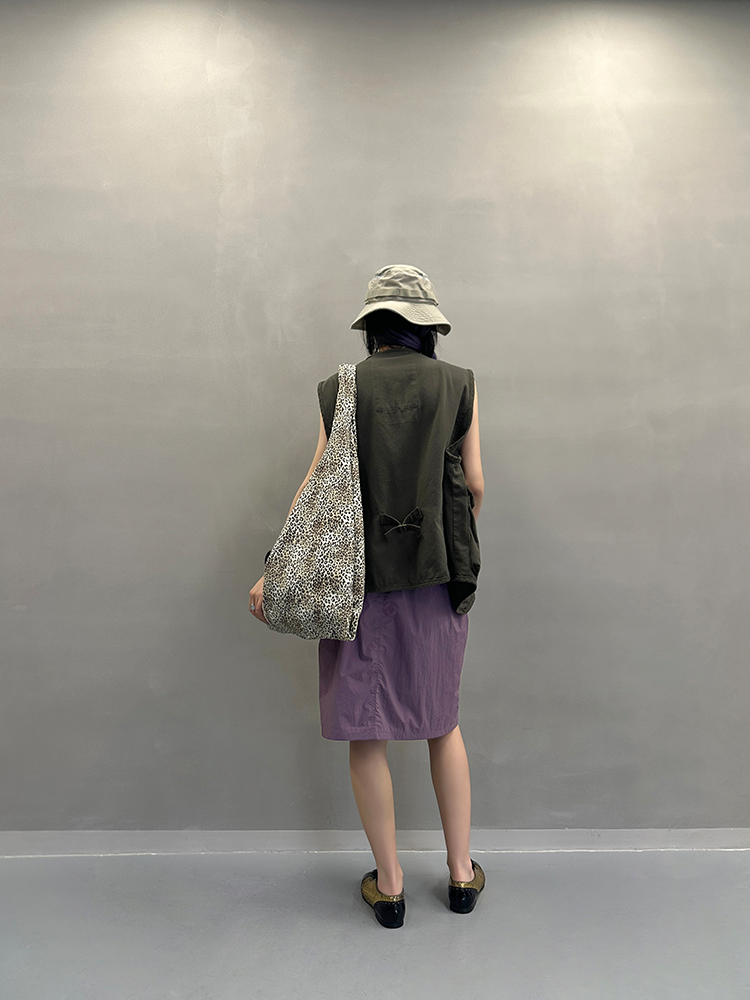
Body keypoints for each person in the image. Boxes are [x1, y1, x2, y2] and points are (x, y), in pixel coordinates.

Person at [248, 265, 486, 928]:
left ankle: (390, 885)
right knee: (442, 724)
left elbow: (316, 488)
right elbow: (474, 484)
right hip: (436, 579)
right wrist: (446, 539)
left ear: (372, 326)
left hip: (355, 585)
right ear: (427, 327)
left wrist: (275, 568)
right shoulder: (459, 383)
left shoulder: (341, 388)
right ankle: (461, 877)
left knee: (367, 732)